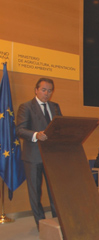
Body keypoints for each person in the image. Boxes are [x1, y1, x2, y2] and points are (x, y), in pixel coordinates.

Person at [16, 78, 62, 229]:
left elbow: (59, 127)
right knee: (35, 193)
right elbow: (20, 130)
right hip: (33, 156)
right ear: (36, 90)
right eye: (44, 90)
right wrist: (36, 135)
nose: (47, 93)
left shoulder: (55, 107)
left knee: (55, 191)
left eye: (50, 91)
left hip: (52, 157)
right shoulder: (26, 107)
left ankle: (58, 222)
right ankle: (41, 224)